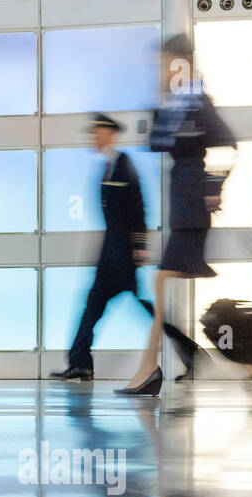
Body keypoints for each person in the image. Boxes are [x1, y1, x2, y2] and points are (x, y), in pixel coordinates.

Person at [118, 34, 236, 397]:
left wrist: (214, 188)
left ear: (183, 63)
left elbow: (228, 144)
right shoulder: (175, 106)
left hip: (193, 208)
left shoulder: (199, 103)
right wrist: (162, 98)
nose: (163, 71)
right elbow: (156, 143)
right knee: (162, 282)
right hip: (182, 206)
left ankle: (150, 369)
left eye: (167, 64)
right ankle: (187, 357)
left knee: (160, 281)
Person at [49, 113, 199, 383]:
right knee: (95, 305)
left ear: (109, 133)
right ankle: (80, 362)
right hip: (111, 253)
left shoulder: (124, 164)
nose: (94, 138)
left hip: (122, 256)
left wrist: (139, 248)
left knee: (130, 307)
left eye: (97, 132)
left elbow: (139, 208)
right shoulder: (107, 166)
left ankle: (190, 352)